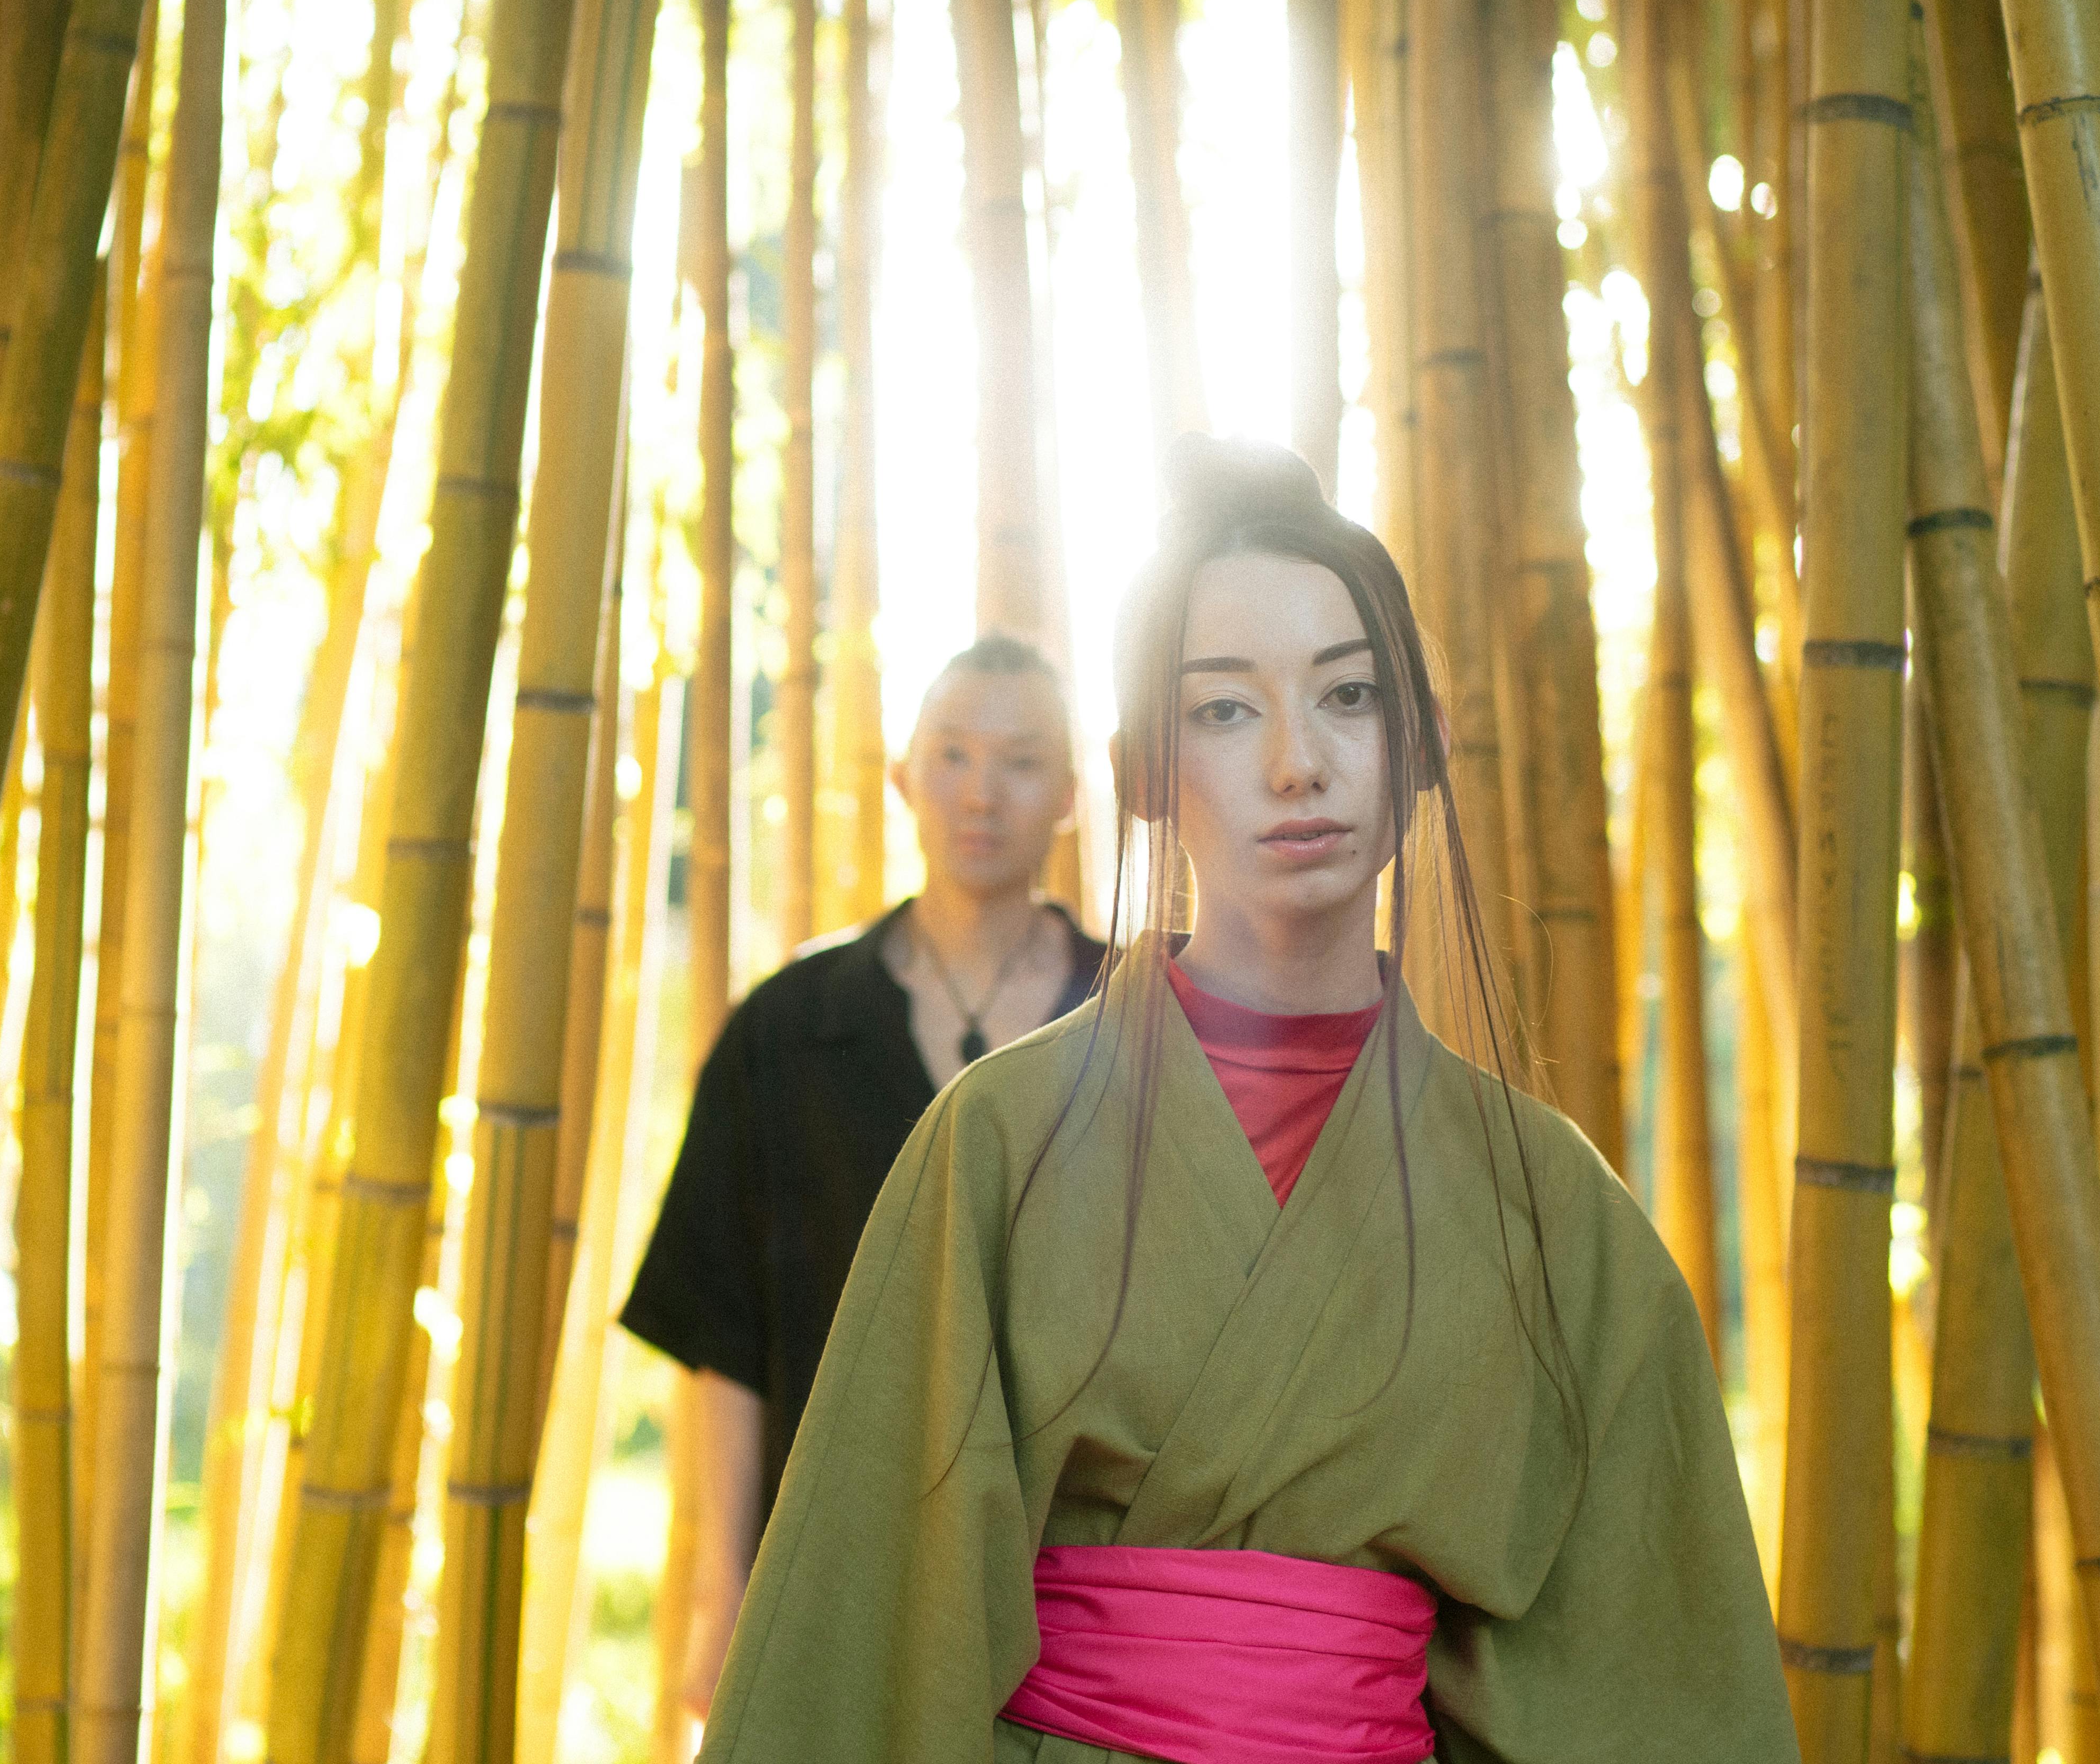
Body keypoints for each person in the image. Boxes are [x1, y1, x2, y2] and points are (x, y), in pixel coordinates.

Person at [699, 437, 1795, 1761]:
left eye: (1351, 696)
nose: (1296, 762)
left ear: (1426, 745)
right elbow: (868, 1625)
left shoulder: (1555, 1208)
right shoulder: (994, 1144)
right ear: (1148, 767)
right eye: (1225, 709)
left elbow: (1652, 1676)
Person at [619, 633, 1108, 1716]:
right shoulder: (788, 1029)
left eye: (1022, 760)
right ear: (903, 776)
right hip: (841, 1560)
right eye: (953, 754)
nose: (982, 792)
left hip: (1090, 1586)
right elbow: (729, 1347)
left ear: (1071, 793)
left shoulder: (1139, 1026)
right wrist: (725, 1597)